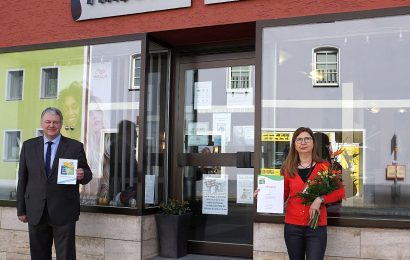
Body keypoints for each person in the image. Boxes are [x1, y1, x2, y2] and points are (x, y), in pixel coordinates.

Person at [255, 127, 345, 260]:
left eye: (307, 139)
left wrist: (320, 199)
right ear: (294, 144)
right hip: (293, 227)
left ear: (313, 143)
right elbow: (283, 196)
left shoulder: (324, 166)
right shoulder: (288, 168)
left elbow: (340, 191)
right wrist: (264, 195)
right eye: (299, 139)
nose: (303, 142)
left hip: (316, 227)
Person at [16, 107, 93, 260]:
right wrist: (21, 209)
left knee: (66, 256)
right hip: (36, 210)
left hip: (64, 210)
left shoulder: (74, 146)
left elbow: (87, 174)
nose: (51, 125)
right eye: (48, 122)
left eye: (55, 122)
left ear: (61, 124)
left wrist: (82, 174)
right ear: (42, 123)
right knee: (38, 255)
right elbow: (23, 179)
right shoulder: (28, 146)